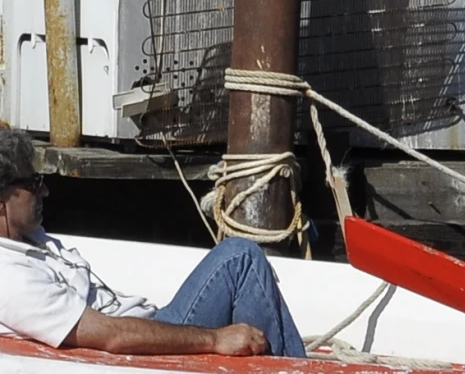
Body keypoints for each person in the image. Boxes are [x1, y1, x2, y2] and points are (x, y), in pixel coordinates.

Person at [0, 131, 304, 358]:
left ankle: (284, 373)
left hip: (147, 323)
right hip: (137, 361)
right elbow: (111, 337)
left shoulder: (28, 238)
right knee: (240, 259)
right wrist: (215, 339)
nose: (46, 192)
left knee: (240, 258)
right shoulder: (11, 279)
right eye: (33, 184)